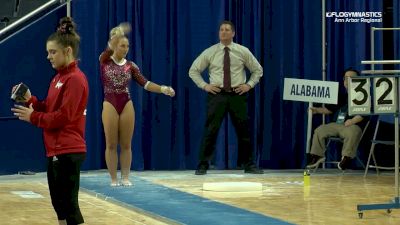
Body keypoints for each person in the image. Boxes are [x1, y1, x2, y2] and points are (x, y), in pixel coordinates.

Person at [11, 17, 88, 225]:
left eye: (53, 52)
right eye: (48, 52)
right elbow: (50, 107)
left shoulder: (75, 79)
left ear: (68, 51)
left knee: (69, 206)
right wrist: (31, 100)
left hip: (69, 150)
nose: (48, 57)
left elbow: (63, 116)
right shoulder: (58, 78)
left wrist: (33, 117)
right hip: (54, 149)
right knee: (59, 206)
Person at [99, 23, 175, 186]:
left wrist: (163, 89)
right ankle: (113, 178)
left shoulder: (131, 66)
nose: (125, 48)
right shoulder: (104, 60)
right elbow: (109, 47)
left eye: (127, 46)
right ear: (115, 46)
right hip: (110, 103)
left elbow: (145, 83)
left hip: (126, 103)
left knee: (126, 144)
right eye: (122, 45)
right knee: (111, 144)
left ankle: (125, 177)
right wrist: (119, 33)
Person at [189, 20, 264, 175]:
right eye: (221, 30)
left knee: (243, 131)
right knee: (211, 130)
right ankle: (203, 164)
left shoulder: (243, 51)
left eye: (227, 30)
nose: (223, 32)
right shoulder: (210, 52)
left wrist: (249, 85)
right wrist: (205, 85)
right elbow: (193, 70)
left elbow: (257, 70)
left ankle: (249, 164)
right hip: (217, 95)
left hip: (237, 95)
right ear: (219, 33)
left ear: (233, 33)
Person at [306, 69, 367, 170]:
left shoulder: (363, 97)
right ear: (343, 81)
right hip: (337, 124)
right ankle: (317, 156)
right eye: (346, 78)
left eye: (352, 78)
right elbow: (329, 109)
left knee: (354, 132)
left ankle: (346, 158)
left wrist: (352, 121)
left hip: (351, 126)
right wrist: (316, 110)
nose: (348, 81)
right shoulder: (342, 97)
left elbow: (363, 114)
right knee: (320, 130)